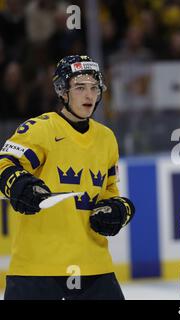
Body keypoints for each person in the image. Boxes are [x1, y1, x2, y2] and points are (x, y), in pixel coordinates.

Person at [0, 55, 135, 300]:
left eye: (94, 88)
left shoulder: (106, 138)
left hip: (95, 269)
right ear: (63, 92)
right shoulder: (40, 129)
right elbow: (4, 165)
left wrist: (117, 208)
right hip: (37, 270)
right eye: (80, 87)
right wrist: (19, 185)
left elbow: (109, 190)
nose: (89, 95)